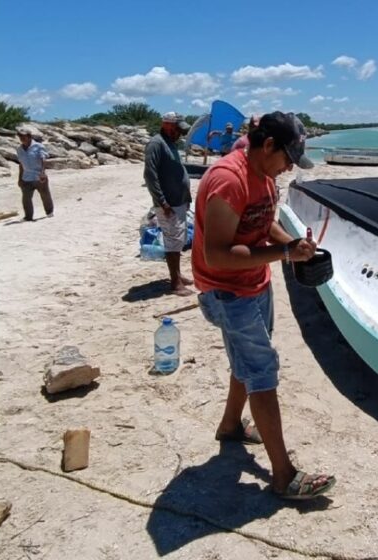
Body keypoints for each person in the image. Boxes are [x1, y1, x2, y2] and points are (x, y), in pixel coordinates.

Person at [193, 112, 336, 500]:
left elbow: (261, 226)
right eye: (287, 157)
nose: (289, 166)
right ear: (267, 144)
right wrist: (283, 253)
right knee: (261, 370)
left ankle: (230, 427)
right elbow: (218, 254)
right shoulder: (228, 179)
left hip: (255, 282)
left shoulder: (266, 177)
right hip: (226, 290)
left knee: (249, 359)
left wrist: (293, 245)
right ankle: (283, 475)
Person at [144, 112, 193, 296]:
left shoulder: (170, 143)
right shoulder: (156, 144)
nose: (179, 133)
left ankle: (178, 275)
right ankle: (175, 283)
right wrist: (162, 202)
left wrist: (186, 197)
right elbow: (150, 175)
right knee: (173, 242)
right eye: (177, 129)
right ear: (166, 125)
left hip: (178, 201)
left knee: (178, 240)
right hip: (168, 203)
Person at [16, 126, 53, 221]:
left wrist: (42, 173)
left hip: (38, 176)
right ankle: (28, 216)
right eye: (20, 137)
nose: (22, 139)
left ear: (29, 137)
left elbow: (43, 160)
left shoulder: (38, 146)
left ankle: (49, 212)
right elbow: (21, 164)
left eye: (23, 137)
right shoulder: (19, 149)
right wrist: (19, 179)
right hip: (26, 177)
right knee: (26, 199)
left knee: (45, 195)